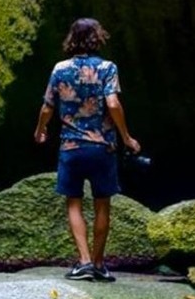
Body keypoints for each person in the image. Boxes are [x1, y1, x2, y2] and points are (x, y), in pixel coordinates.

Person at [33, 18, 141, 282]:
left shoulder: (60, 69)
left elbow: (48, 106)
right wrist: (126, 137)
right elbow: (113, 103)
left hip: (71, 147)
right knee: (102, 204)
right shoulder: (107, 67)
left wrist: (40, 130)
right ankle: (99, 264)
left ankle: (83, 263)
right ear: (97, 38)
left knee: (74, 203)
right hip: (102, 147)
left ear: (72, 39)